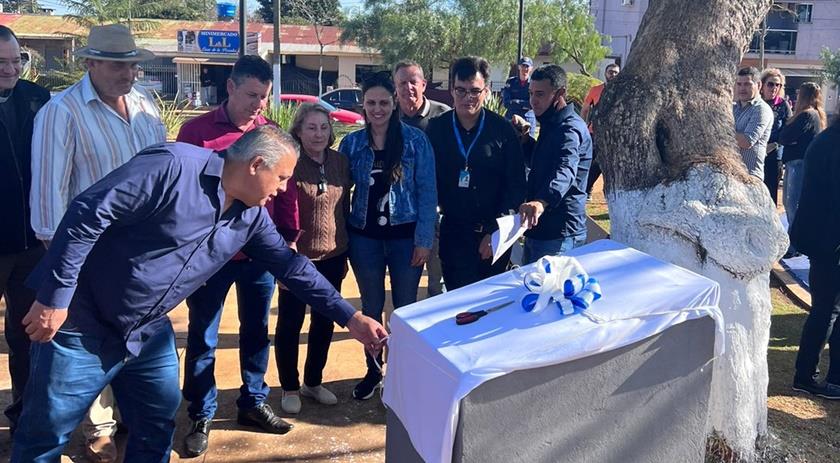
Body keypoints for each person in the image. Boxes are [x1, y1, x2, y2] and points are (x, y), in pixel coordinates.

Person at [11, 126, 388, 462]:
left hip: (145, 332)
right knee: (46, 435)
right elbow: (87, 212)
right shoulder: (172, 165)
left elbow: (292, 267)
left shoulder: (251, 217)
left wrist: (351, 317)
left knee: (157, 425)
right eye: (281, 178)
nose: (283, 189)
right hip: (81, 323)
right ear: (256, 165)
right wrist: (55, 296)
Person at [29, 23, 165, 462]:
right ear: (89, 63)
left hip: (144, 260)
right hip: (89, 260)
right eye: (117, 66)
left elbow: (162, 175)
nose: (128, 74)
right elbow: (48, 207)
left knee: (140, 351)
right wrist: (65, 278)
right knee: (88, 351)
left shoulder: (145, 105)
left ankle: (126, 420)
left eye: (132, 65)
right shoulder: (61, 112)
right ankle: (98, 427)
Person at [175, 55, 301, 457]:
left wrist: (289, 239)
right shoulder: (196, 132)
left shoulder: (271, 133)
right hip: (209, 257)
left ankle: (253, 401)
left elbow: (286, 193)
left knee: (256, 330)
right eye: (251, 95)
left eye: (264, 97)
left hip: (258, 256)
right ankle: (201, 412)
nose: (258, 104)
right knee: (204, 335)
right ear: (230, 88)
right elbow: (183, 192)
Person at [339, 73, 437, 400]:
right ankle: (373, 370)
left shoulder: (415, 141)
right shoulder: (352, 144)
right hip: (364, 239)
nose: (377, 109)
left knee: (404, 310)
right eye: (371, 103)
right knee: (371, 307)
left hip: (405, 239)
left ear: (394, 103)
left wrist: (424, 240)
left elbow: (427, 193)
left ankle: (400, 374)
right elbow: (341, 194)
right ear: (363, 105)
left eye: (383, 102)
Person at [426, 56, 526, 290]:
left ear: (486, 91)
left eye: (474, 91)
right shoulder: (437, 129)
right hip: (453, 234)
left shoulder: (502, 131)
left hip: (492, 237)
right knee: (457, 301)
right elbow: (427, 182)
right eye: (461, 90)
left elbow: (516, 186)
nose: (467, 97)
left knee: (489, 303)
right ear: (452, 90)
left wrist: (495, 232)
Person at [276, 103, 352, 414]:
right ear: (298, 131)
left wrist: (346, 250)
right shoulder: (290, 163)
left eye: (323, 127)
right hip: (297, 258)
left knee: (324, 322)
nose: (318, 134)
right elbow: (279, 210)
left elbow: (344, 207)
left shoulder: (340, 162)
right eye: (311, 128)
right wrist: (283, 254)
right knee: (290, 323)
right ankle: (290, 386)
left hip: (334, 254)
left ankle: (313, 382)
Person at [0, 25, 50, 435]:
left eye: (17, 61)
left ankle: (25, 416)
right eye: (1, 63)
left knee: (27, 335)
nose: (11, 69)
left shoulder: (38, 98)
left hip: (32, 242)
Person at [518, 65, 592, 264]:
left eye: (540, 94)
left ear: (560, 94)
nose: (533, 100)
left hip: (560, 234)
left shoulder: (570, 129)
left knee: (550, 285)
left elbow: (565, 169)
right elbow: (543, 163)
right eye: (531, 93)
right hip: (539, 228)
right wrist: (525, 142)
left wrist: (541, 202)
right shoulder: (551, 123)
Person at [788, 115, 840, 400]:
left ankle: (814, 375)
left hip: (821, 238)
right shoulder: (831, 142)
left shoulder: (826, 139)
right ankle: (812, 376)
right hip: (831, 241)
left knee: (825, 310)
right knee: (827, 311)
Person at [393, 59, 450, 297]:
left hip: (435, 208)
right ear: (395, 87)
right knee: (404, 283)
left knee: (438, 281)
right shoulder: (387, 116)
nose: (408, 88)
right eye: (402, 83)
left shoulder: (444, 115)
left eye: (413, 82)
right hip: (400, 214)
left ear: (423, 84)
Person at [779, 81, 827, 258]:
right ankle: (794, 242)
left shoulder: (807, 115)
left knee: (793, 204)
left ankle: (794, 245)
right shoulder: (815, 115)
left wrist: (789, 138)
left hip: (798, 163)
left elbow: (785, 137)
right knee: (790, 203)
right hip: (797, 162)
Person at [582, 63, 619, 197]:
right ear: (605, 73)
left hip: (613, 135)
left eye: (615, 72)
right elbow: (585, 109)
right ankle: (586, 189)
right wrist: (583, 126)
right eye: (610, 72)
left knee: (606, 164)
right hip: (594, 132)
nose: (613, 74)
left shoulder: (623, 91)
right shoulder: (595, 90)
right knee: (590, 161)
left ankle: (605, 191)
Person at [733, 66, 773, 179]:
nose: (742, 88)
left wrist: (720, 132)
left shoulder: (761, 110)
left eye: (747, 84)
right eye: (739, 84)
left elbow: (747, 141)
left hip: (750, 177)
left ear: (759, 85)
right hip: (732, 174)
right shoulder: (733, 108)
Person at [760, 68, 791, 206]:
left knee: (770, 192)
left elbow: (788, 129)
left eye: (777, 85)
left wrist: (775, 145)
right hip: (754, 152)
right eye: (770, 84)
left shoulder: (783, 105)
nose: (774, 88)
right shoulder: (756, 102)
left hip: (774, 154)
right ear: (762, 85)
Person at [502, 57, 537, 137]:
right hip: (512, 118)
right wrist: (524, 104)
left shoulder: (534, 84)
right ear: (519, 67)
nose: (525, 69)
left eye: (527, 66)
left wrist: (516, 102)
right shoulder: (511, 82)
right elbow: (506, 103)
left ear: (531, 68)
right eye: (523, 66)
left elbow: (532, 104)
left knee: (528, 143)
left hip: (528, 118)